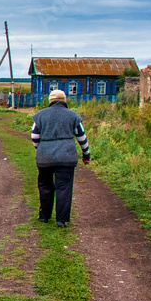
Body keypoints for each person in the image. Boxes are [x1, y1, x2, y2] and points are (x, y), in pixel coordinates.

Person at [30, 89, 91, 227]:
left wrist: (41, 149)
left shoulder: (40, 116)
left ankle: (44, 216)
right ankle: (61, 220)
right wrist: (86, 154)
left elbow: (34, 137)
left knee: (45, 185)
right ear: (64, 100)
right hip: (66, 157)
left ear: (50, 101)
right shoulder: (73, 116)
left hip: (44, 158)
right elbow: (82, 138)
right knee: (64, 187)